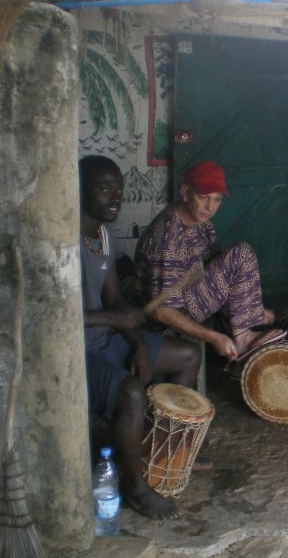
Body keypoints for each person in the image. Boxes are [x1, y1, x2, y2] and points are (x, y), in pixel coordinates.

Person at [79, 155, 200, 520]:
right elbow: (54, 320)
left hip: (111, 339)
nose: (116, 198)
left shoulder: (103, 235)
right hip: (78, 352)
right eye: (105, 189)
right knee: (131, 391)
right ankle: (134, 487)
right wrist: (113, 318)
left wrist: (138, 347)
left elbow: (116, 300)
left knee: (189, 355)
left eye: (120, 189)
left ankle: (163, 452)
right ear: (79, 190)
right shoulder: (63, 242)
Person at [134, 160, 278, 363]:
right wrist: (214, 337)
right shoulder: (168, 240)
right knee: (240, 253)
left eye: (217, 200)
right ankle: (244, 338)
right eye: (203, 197)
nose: (210, 207)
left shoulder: (202, 225)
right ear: (185, 192)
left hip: (190, 295)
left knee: (235, 258)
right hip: (165, 317)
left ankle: (245, 317)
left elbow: (219, 272)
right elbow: (162, 311)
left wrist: (248, 305)